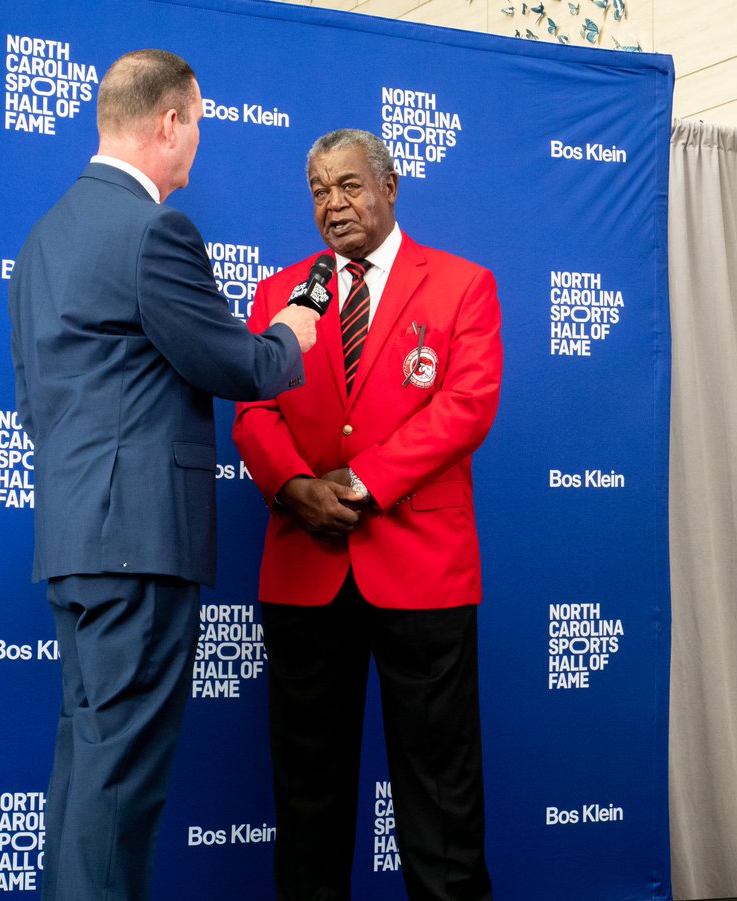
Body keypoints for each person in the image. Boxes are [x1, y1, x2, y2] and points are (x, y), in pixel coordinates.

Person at [8, 49, 318, 901]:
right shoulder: (153, 231)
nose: (197, 151)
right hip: (138, 545)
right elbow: (237, 364)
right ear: (169, 122)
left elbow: (38, 404)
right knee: (121, 785)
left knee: (89, 765)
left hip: (74, 540)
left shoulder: (44, 238)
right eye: (198, 129)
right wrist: (292, 330)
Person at [233, 128, 502, 901]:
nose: (333, 204)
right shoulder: (279, 291)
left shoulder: (461, 284)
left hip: (423, 570)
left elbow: (467, 405)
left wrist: (360, 482)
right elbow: (253, 409)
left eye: (349, 185)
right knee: (307, 792)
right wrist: (293, 487)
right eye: (319, 190)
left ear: (390, 186)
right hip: (304, 567)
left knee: (441, 794)